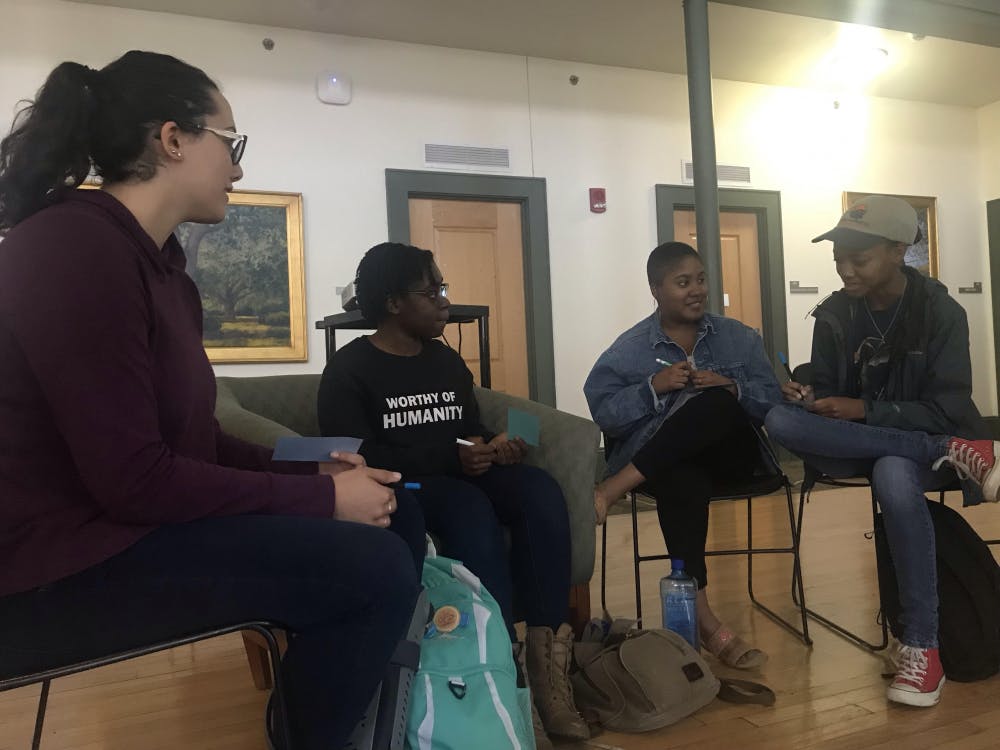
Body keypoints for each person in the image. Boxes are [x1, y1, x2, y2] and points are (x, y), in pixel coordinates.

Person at [0, 51, 425, 750]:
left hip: (121, 530)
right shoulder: (71, 250)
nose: (238, 168)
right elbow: (135, 480)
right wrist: (321, 502)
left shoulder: (164, 271)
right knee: (369, 569)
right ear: (172, 139)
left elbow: (190, 441)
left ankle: (369, 726)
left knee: (397, 509)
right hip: (53, 566)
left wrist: (312, 468)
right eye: (231, 144)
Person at [317, 242, 588, 748]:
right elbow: (356, 456)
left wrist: (488, 444)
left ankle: (548, 660)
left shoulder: (443, 359)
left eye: (443, 288)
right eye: (432, 290)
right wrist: (452, 457)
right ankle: (500, 670)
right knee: (468, 509)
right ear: (395, 303)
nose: (445, 301)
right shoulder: (350, 371)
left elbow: (463, 424)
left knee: (540, 492)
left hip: (458, 470)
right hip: (409, 484)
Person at [765, 194, 1000, 708]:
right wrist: (811, 393)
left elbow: (946, 405)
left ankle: (922, 648)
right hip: (899, 445)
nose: (845, 270)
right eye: (838, 261)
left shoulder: (941, 312)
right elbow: (826, 385)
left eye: (859, 259)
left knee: (894, 471)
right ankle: (957, 451)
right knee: (779, 417)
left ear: (899, 251)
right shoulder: (832, 313)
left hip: (913, 456)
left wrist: (863, 411)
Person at [584, 241, 782, 669]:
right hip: (666, 465)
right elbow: (605, 414)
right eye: (682, 282)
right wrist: (652, 387)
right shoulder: (630, 349)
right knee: (681, 477)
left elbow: (772, 404)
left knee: (714, 402)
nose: (696, 290)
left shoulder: (740, 338)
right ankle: (706, 622)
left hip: (732, 456)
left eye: (701, 279)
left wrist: (731, 387)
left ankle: (611, 489)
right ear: (656, 289)